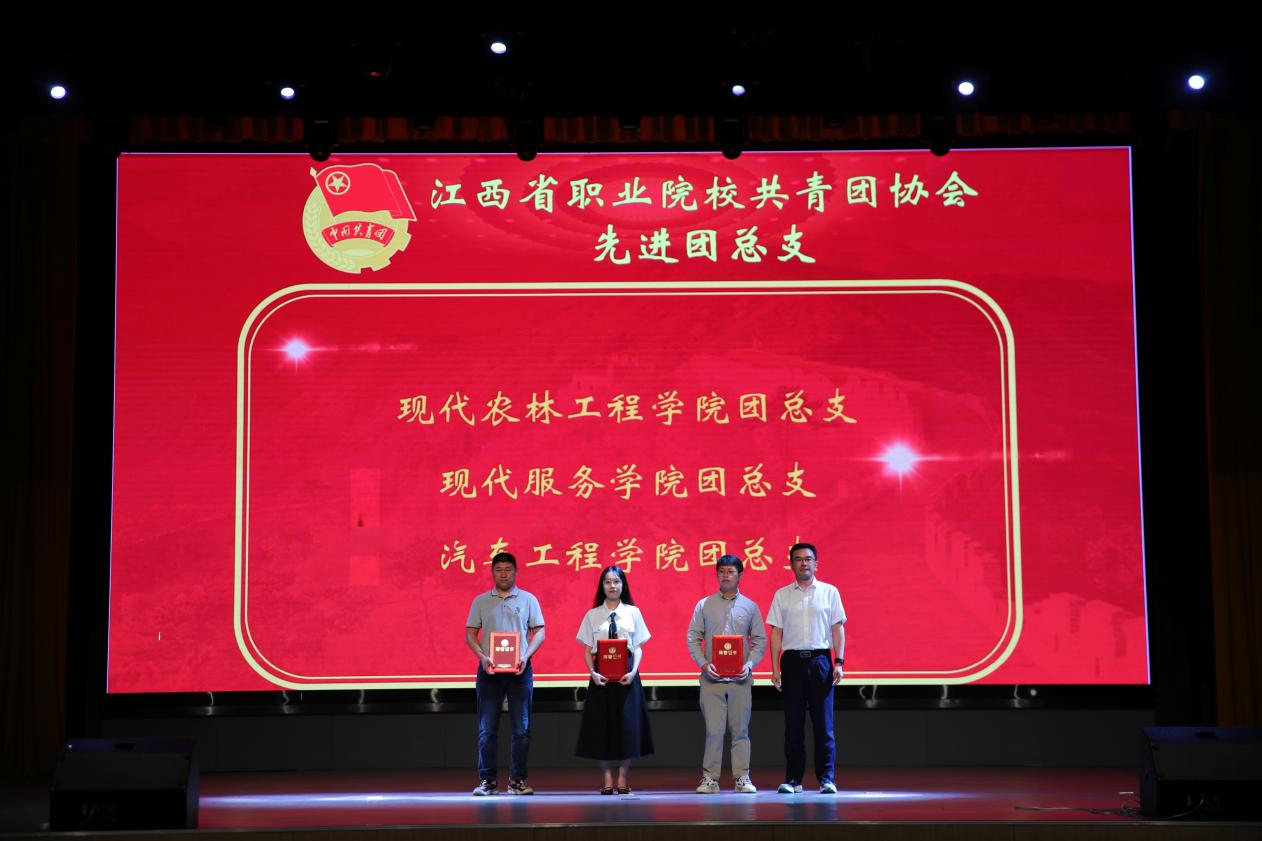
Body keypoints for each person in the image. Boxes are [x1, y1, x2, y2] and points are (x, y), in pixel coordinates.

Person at [766, 542, 846, 794]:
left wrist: (839, 662)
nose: (804, 563)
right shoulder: (782, 595)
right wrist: (775, 668)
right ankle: (793, 779)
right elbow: (776, 633)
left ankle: (826, 779)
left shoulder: (829, 592)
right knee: (794, 724)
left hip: (820, 660)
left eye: (808, 559)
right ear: (791, 565)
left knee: (824, 724)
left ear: (816, 564)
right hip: (791, 662)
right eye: (798, 559)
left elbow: (837, 628)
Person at [465, 552, 545, 796]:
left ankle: (517, 781)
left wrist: (525, 656)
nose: (503, 573)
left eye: (508, 569)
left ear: (516, 572)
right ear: (492, 572)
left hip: (520, 670)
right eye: (498, 569)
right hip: (489, 671)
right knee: (487, 729)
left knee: (522, 729)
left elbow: (540, 632)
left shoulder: (528, 599)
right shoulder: (481, 601)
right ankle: (488, 781)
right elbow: (470, 634)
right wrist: (482, 656)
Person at [687, 554, 767, 794]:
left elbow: (760, 641)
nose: (725, 575)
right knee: (714, 731)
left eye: (730, 571)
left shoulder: (750, 606)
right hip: (711, 680)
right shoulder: (704, 605)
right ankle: (710, 779)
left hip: (740, 680)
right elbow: (693, 638)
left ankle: (742, 778)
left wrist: (749, 665)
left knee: (740, 731)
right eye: (721, 571)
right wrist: (703, 664)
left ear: (739, 575)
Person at [575, 566, 654, 794]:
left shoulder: (633, 612)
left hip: (627, 675)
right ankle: (608, 779)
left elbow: (637, 647)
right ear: (602, 586)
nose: (612, 586)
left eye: (616, 581)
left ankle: (622, 778)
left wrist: (634, 671)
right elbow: (587, 649)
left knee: (628, 727)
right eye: (608, 582)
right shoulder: (592, 615)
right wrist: (592, 672)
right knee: (602, 727)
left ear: (623, 585)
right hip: (600, 676)